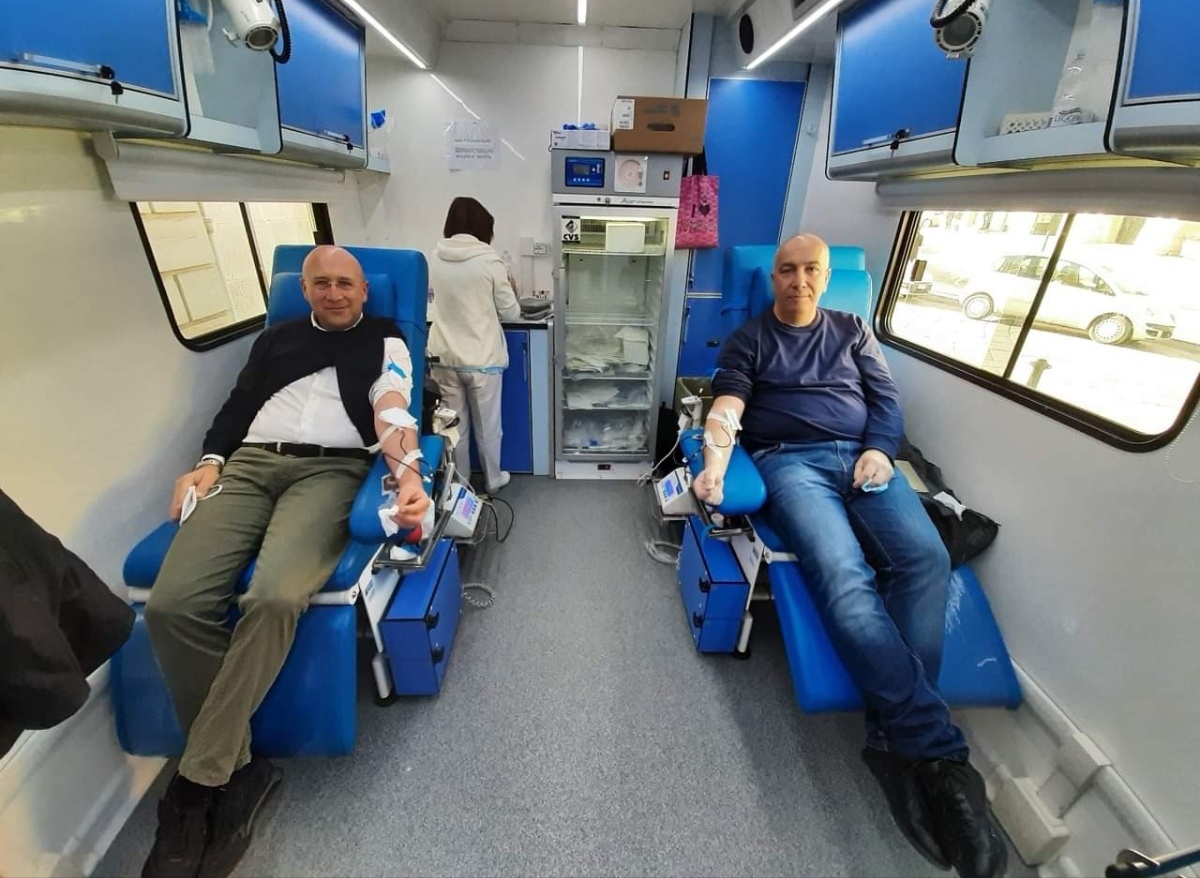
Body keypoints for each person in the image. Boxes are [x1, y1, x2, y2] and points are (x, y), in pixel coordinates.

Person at [693, 234, 1006, 878]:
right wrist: (716, 464)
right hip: (790, 464)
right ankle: (940, 756)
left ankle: (892, 741)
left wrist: (881, 450)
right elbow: (725, 410)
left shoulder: (854, 330)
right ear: (772, 278)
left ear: (827, 276)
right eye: (786, 270)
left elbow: (886, 400)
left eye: (810, 270)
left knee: (927, 561)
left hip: (864, 460)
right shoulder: (749, 340)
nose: (798, 281)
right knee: (844, 576)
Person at [140, 246, 431, 878]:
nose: (334, 293)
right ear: (304, 290)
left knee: (274, 597)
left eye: (346, 284)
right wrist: (208, 461)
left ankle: (196, 785)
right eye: (322, 283)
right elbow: (236, 407)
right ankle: (236, 764)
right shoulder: (275, 340)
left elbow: (392, 407)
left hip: (331, 472)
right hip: (247, 467)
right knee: (170, 606)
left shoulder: (386, 339)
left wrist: (409, 475)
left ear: (364, 291)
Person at [428, 196, 521, 494]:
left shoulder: (435, 256)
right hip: (482, 359)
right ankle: (493, 479)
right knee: (488, 427)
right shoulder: (489, 260)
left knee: (454, 427)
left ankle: (461, 483)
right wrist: (512, 289)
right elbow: (511, 313)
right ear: (484, 227)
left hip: (444, 356)